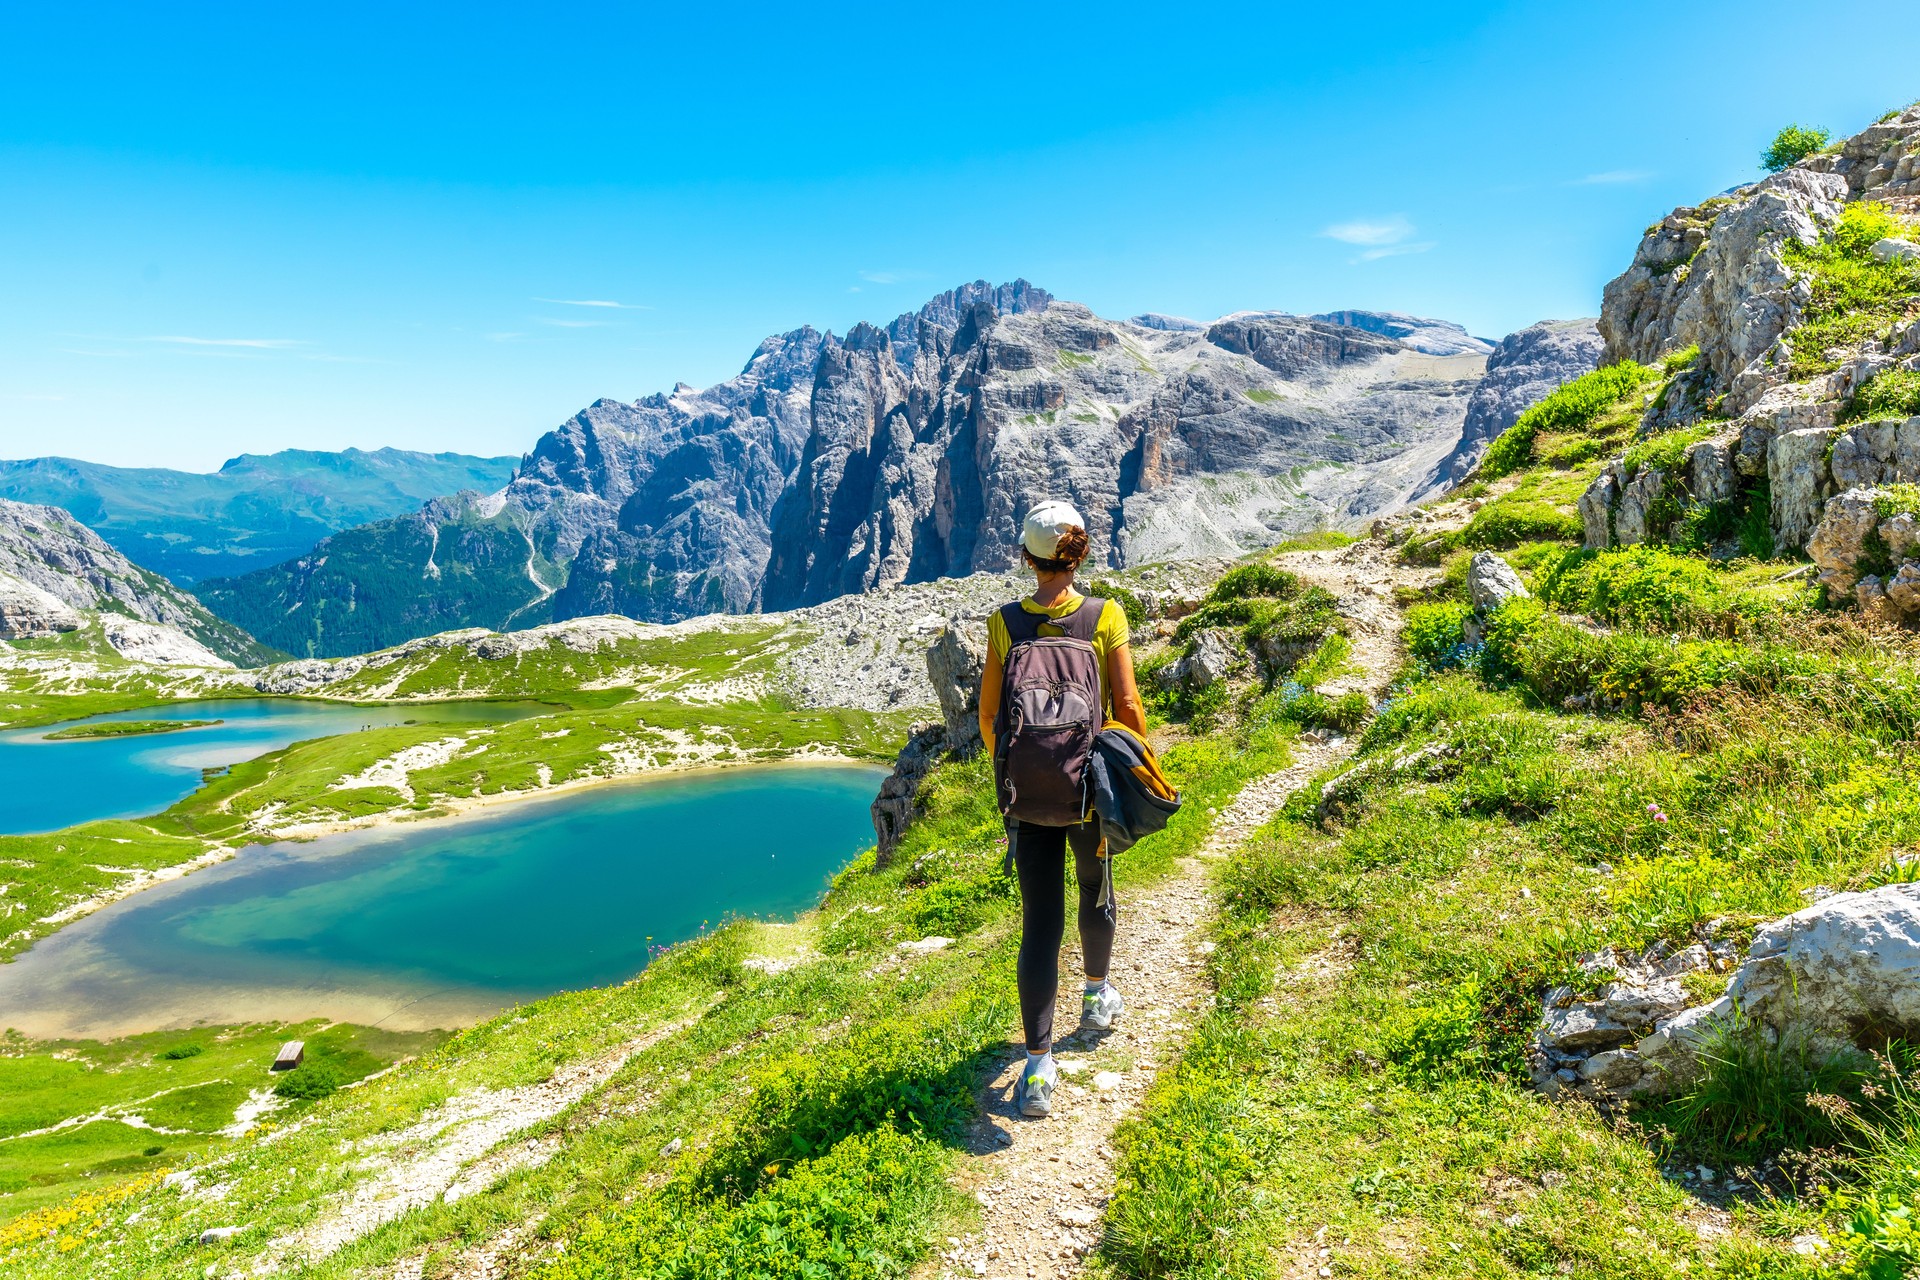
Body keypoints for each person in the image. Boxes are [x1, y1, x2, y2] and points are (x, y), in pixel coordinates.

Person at [977, 499, 1151, 1118]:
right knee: (1095, 890)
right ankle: (1099, 997)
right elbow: (1126, 706)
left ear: (1029, 558)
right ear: (1077, 553)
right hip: (1086, 790)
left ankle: (1038, 1067)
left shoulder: (1004, 622)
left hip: (1029, 795)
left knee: (1040, 922)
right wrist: (1141, 770)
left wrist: (1017, 774)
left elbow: (989, 715)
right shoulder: (1105, 616)